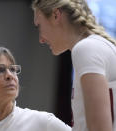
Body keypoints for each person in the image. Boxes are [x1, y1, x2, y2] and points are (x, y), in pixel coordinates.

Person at [32, 0, 116, 131]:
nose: (40, 39)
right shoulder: (94, 46)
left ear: (55, 15)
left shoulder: (86, 48)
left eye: (39, 26)